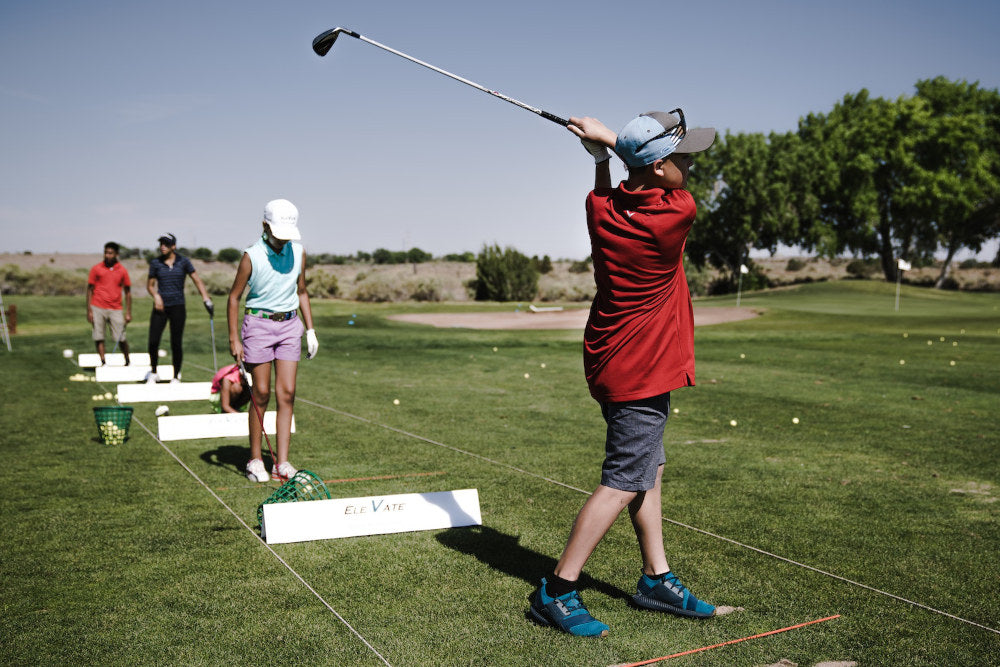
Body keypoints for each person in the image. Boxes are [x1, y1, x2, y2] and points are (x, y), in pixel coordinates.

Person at [528, 110, 717, 637]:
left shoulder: (601, 207)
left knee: (647, 469)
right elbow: (644, 175)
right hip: (642, 367)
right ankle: (557, 588)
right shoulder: (675, 215)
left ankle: (656, 577)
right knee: (622, 480)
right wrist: (607, 142)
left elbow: (609, 190)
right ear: (656, 168)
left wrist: (600, 160)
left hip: (615, 359)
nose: (688, 165)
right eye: (680, 158)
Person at [227, 199, 318, 483]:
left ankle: (282, 463)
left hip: (290, 325)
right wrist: (234, 339)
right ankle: (255, 460)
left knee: (287, 393)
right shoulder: (251, 256)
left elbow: (301, 291)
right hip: (258, 326)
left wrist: (310, 330)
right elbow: (233, 298)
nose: (282, 240)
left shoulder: (299, 252)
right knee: (262, 393)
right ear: (265, 226)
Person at [144, 233, 214, 383]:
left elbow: (197, 280)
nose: (163, 246)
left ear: (173, 246)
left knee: (176, 342)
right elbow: (149, 286)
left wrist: (206, 298)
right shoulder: (156, 263)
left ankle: (176, 376)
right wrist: (156, 296)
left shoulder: (184, 262)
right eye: (161, 243)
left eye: (166, 244)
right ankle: (154, 372)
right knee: (153, 341)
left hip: (178, 306)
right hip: (160, 307)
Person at [86, 242, 132, 365]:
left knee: (120, 337)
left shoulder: (122, 270)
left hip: (116, 308)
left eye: (110, 253)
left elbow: (127, 292)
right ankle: (103, 361)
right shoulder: (96, 269)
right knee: (99, 336)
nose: (107, 255)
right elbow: (89, 290)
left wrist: (128, 312)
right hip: (97, 306)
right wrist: (89, 310)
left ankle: (127, 360)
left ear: (116, 254)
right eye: (106, 252)